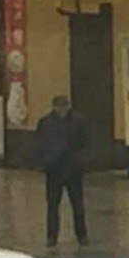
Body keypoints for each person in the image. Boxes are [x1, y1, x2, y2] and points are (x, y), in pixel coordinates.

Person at [36, 95, 89, 249]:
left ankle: (82, 235)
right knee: (53, 205)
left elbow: (86, 141)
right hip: (54, 170)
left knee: (77, 205)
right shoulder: (46, 123)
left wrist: (80, 160)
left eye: (64, 106)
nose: (62, 109)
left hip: (73, 170)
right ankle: (52, 236)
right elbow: (40, 143)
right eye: (59, 106)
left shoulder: (78, 121)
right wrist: (45, 161)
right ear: (54, 107)